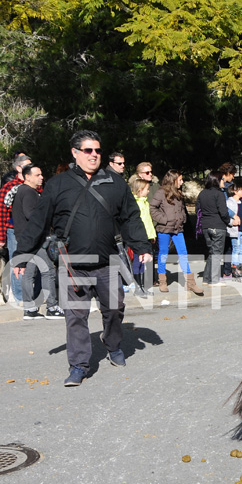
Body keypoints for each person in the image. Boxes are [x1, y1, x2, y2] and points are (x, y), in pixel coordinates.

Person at [13, 130, 152, 387]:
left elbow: (131, 217)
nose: (94, 155)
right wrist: (22, 256)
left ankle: (112, 344)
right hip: (72, 263)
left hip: (107, 261)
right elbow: (39, 222)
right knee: (75, 316)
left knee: (114, 309)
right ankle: (78, 365)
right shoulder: (57, 184)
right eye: (88, 150)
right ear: (75, 153)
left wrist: (142, 246)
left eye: (97, 150)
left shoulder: (115, 183)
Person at [12, 164, 64, 319]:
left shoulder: (23, 191)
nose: (41, 177)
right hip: (33, 238)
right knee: (48, 271)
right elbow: (31, 214)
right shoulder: (28, 192)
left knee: (29, 273)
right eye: (37, 175)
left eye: (41, 174)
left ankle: (30, 309)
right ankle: (52, 307)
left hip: (26, 237)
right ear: (27, 176)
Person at [150, 170, 204, 296]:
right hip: (164, 228)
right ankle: (162, 280)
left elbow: (181, 209)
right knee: (163, 253)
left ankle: (190, 282)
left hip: (178, 228)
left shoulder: (178, 193)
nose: (182, 182)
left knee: (183, 253)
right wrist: (163, 219)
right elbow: (152, 207)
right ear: (173, 180)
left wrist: (183, 218)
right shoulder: (161, 192)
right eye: (180, 179)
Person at [1, 153, 32, 305]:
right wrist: (1, 237)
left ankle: (33, 294)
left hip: (33, 230)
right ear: (19, 168)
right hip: (14, 230)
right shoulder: (9, 187)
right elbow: (2, 214)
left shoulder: (35, 184)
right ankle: (20, 297)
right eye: (27, 165)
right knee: (17, 262)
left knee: (34, 262)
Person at [197, 171, 234, 287]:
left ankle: (206, 278)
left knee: (212, 252)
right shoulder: (219, 194)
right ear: (217, 180)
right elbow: (223, 212)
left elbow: (198, 209)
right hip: (218, 226)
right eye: (222, 179)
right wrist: (230, 222)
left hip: (206, 226)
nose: (224, 181)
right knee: (217, 253)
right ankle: (214, 279)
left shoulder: (202, 193)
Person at [129, 177, 156, 297]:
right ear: (140, 190)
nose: (148, 191)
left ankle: (143, 287)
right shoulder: (136, 204)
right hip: (138, 237)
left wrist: (152, 235)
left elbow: (148, 221)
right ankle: (137, 287)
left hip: (146, 237)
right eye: (146, 189)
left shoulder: (145, 202)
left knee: (143, 263)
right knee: (137, 262)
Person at [226, 181, 242, 280]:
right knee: (236, 249)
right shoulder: (229, 202)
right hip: (235, 230)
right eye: (240, 190)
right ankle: (235, 267)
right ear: (235, 191)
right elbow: (226, 215)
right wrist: (232, 222)